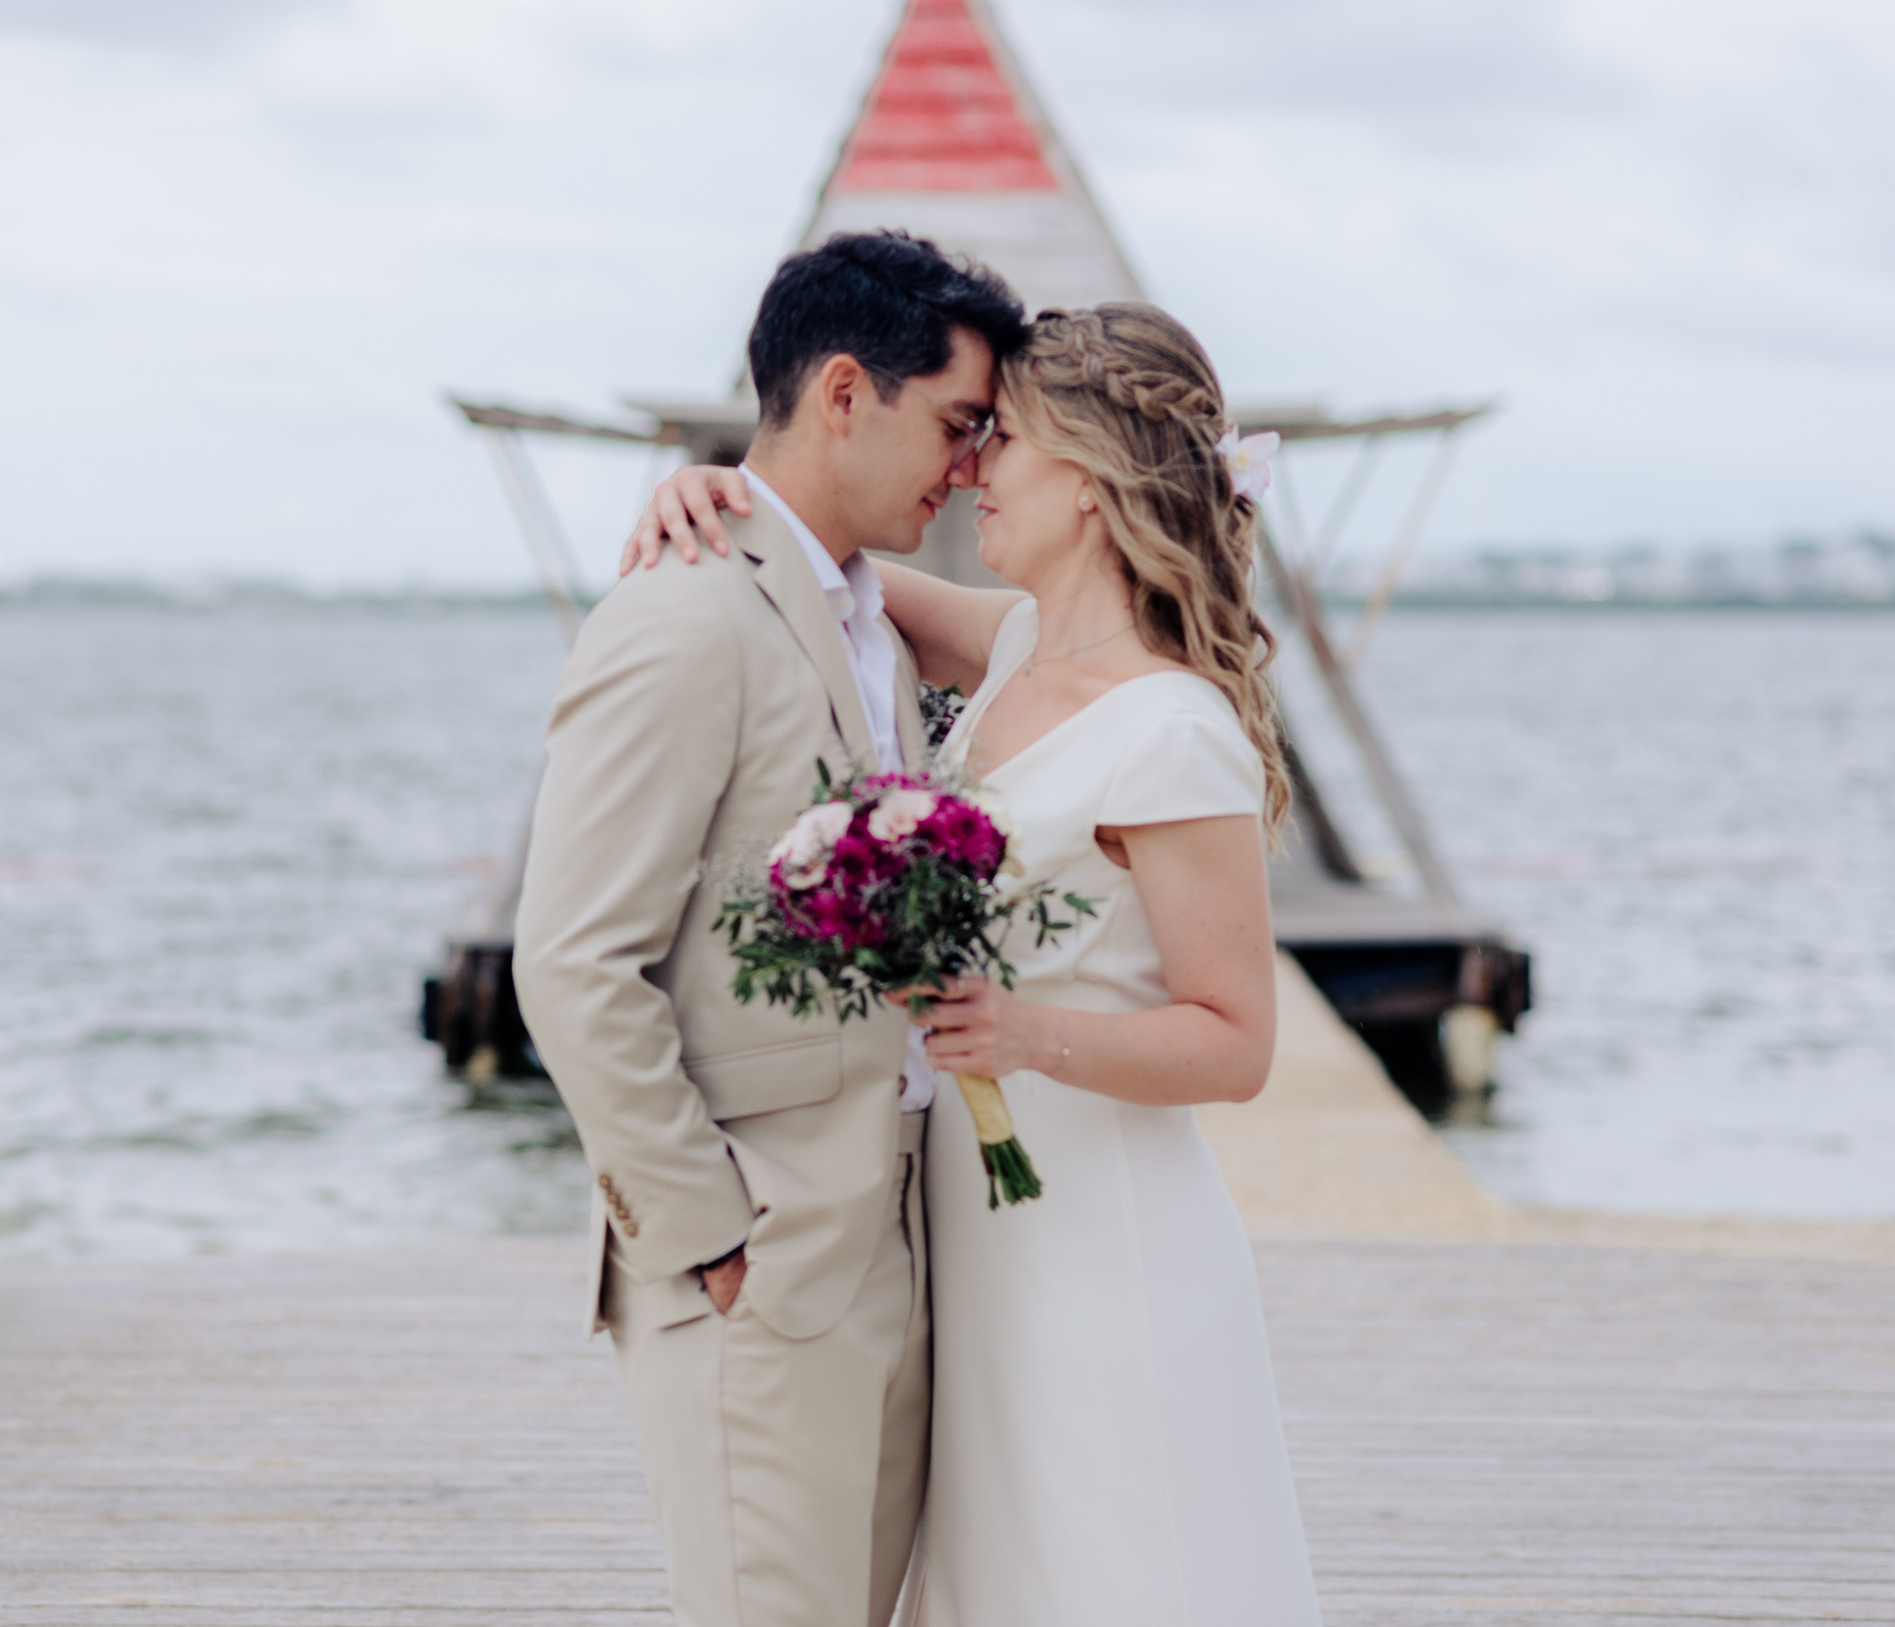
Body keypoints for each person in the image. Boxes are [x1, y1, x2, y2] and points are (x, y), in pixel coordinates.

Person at [627, 300, 1324, 1623]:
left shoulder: (1170, 730)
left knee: (1117, 1566)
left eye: (1006, 439)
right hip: (985, 1235)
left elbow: (1237, 1039)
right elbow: (830, 570)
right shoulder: (1010, 648)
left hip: (1107, 1242)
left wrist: (1022, 1032)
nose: (973, 467)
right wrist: (712, 487)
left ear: (1097, 481)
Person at [512, 229, 1029, 1627]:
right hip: (764, 1259)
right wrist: (710, 1233)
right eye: (956, 425)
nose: (970, 466)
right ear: (848, 392)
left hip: (901, 1243)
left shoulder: (865, 609)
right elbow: (570, 960)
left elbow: (1077, 638)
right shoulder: (682, 617)